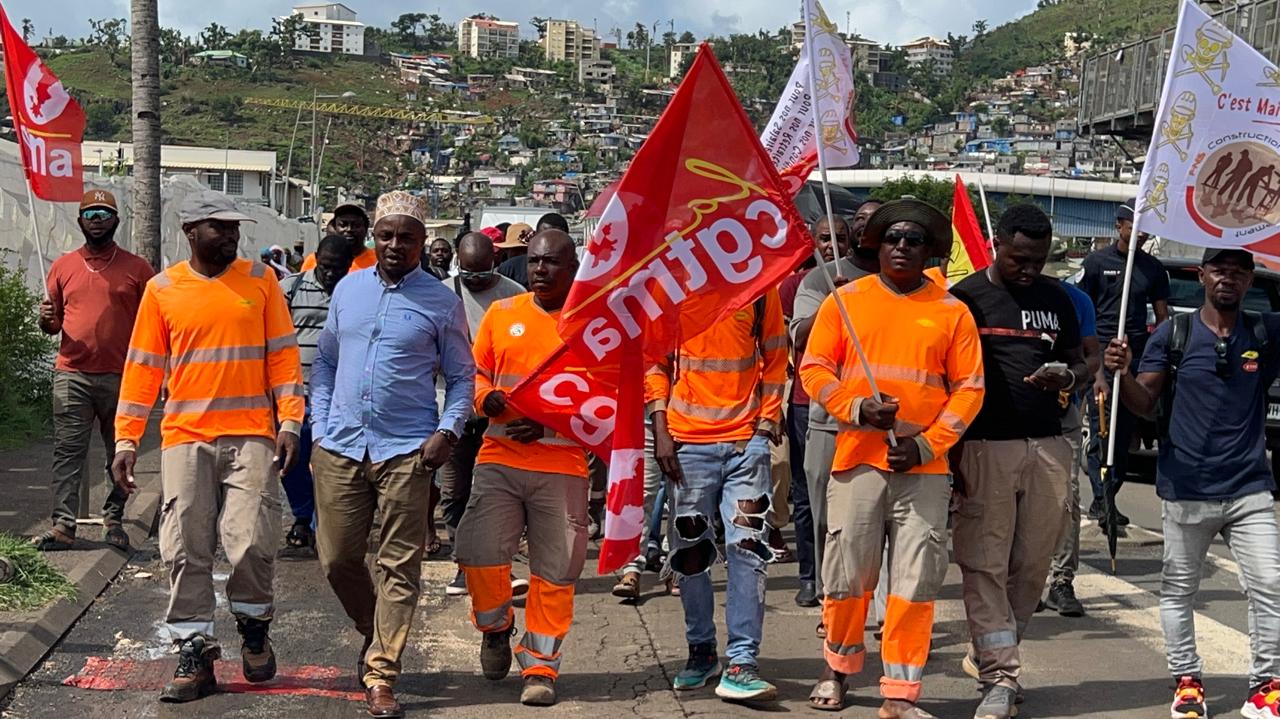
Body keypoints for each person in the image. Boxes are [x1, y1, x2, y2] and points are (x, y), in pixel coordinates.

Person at [110, 189, 304, 703]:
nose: (231, 236)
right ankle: (193, 653)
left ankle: (254, 627)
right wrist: (127, 438)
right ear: (190, 232)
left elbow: (283, 360)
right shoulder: (162, 289)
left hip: (252, 437)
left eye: (235, 228)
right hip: (186, 438)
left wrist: (291, 422)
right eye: (219, 227)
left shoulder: (262, 282)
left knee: (251, 544)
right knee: (184, 548)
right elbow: (143, 368)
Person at [799, 199, 984, 717]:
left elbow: (969, 390)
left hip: (923, 470)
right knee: (847, 577)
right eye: (894, 238)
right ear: (877, 245)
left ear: (931, 252)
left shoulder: (952, 311)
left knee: (914, 585)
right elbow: (813, 370)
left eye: (914, 240)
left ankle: (900, 694)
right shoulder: (845, 301)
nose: (902, 247)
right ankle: (836, 670)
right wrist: (857, 408)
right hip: (857, 460)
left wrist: (926, 445)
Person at [310, 190, 475, 719]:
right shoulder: (348, 291)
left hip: (408, 449)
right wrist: (318, 424)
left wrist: (448, 430)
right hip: (339, 444)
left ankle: (382, 671)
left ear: (422, 242)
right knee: (336, 558)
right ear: (373, 239)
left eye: (407, 237)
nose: (395, 245)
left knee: (399, 565)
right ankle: (371, 626)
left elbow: (462, 375)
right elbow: (326, 364)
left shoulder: (441, 301)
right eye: (387, 235)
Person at [1104, 248, 1280, 719]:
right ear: (1202, 276)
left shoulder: (1265, 331)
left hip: (1250, 488)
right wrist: (1121, 371)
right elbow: (1144, 403)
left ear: (1249, 280)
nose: (1229, 280)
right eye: (1220, 271)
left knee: (1271, 585)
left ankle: (1266, 686)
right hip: (1186, 489)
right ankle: (1187, 683)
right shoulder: (1173, 333)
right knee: (1179, 590)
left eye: (1240, 273)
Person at [948, 204, 1087, 719]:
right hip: (986, 447)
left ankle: (989, 648)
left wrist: (1068, 378)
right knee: (984, 563)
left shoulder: (1057, 298)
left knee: (1032, 565)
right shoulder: (965, 299)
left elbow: (1082, 358)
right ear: (997, 244)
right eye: (1020, 259)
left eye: (1039, 260)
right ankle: (1001, 676)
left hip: (1049, 446)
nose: (1029, 269)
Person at [455, 230, 589, 707]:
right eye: (533, 262)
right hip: (500, 455)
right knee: (478, 553)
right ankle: (495, 628)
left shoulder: (592, 322)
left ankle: (540, 667)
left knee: (555, 572)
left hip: (564, 462)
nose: (540, 271)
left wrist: (553, 423)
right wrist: (482, 398)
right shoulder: (502, 314)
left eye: (551, 262)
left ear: (573, 266)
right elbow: (476, 372)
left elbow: (609, 394)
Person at [647, 286, 788, 703]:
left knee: (747, 548)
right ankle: (702, 652)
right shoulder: (668, 290)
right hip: (687, 448)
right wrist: (662, 431)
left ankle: (742, 661)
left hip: (746, 446)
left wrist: (764, 426)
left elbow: (777, 356)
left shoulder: (762, 287)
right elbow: (654, 363)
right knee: (691, 553)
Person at [33, 189, 154, 552]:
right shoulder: (62, 266)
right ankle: (63, 526)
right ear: (80, 220)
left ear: (116, 221)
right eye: (90, 213)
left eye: (104, 212)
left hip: (124, 378)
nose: (98, 218)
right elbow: (52, 326)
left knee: (119, 452)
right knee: (68, 452)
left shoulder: (138, 269)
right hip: (72, 375)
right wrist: (45, 321)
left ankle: (114, 521)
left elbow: (156, 321)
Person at [788, 199, 881, 616]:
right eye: (857, 221)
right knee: (826, 515)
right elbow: (800, 338)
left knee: (884, 523)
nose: (863, 228)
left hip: (888, 423)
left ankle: (877, 603)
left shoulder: (902, 278)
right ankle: (830, 596)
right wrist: (837, 301)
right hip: (829, 419)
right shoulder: (820, 280)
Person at [438, 232, 526, 597]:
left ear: (496, 261)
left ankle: (496, 568)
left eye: (482, 272)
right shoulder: (441, 293)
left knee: (493, 494)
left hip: (498, 411)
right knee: (453, 490)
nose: (474, 281)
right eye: (467, 273)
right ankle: (463, 564)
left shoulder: (515, 295)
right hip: (453, 411)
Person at [1079, 200, 1169, 529]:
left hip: (1134, 356)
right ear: (1120, 225)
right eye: (1135, 225)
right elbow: (1081, 308)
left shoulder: (1153, 269)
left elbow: (1162, 317)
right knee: (1101, 427)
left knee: (1124, 433)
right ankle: (1101, 500)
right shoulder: (1095, 263)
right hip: (1099, 353)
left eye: (1146, 227)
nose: (1141, 233)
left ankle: (1110, 496)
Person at [780, 214, 852, 608]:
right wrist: (833, 302)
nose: (833, 246)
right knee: (808, 498)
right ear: (813, 241)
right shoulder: (800, 285)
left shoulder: (865, 278)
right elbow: (796, 337)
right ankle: (810, 576)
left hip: (855, 406)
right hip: (809, 404)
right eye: (826, 238)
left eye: (840, 239)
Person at [278, 234, 355, 556]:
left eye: (338, 269)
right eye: (325, 267)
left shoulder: (356, 292)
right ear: (315, 260)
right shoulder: (289, 289)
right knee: (290, 460)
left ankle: (317, 524)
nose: (330, 275)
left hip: (340, 398)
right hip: (296, 395)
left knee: (330, 464)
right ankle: (302, 515)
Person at [1044, 278, 1100, 618]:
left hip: (1063, 411)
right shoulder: (1000, 294)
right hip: (1009, 416)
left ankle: (1061, 581)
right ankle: (1020, 579)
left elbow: (1091, 355)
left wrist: (1073, 378)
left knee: (1066, 497)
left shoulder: (1077, 300)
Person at [497, 213, 569, 288]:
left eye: (555, 239)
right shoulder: (509, 268)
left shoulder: (577, 270)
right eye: (544, 237)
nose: (540, 269)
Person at [301, 203, 376, 272]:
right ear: (335, 228)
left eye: (356, 225)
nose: (349, 229)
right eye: (343, 225)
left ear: (365, 228)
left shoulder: (377, 262)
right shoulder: (314, 261)